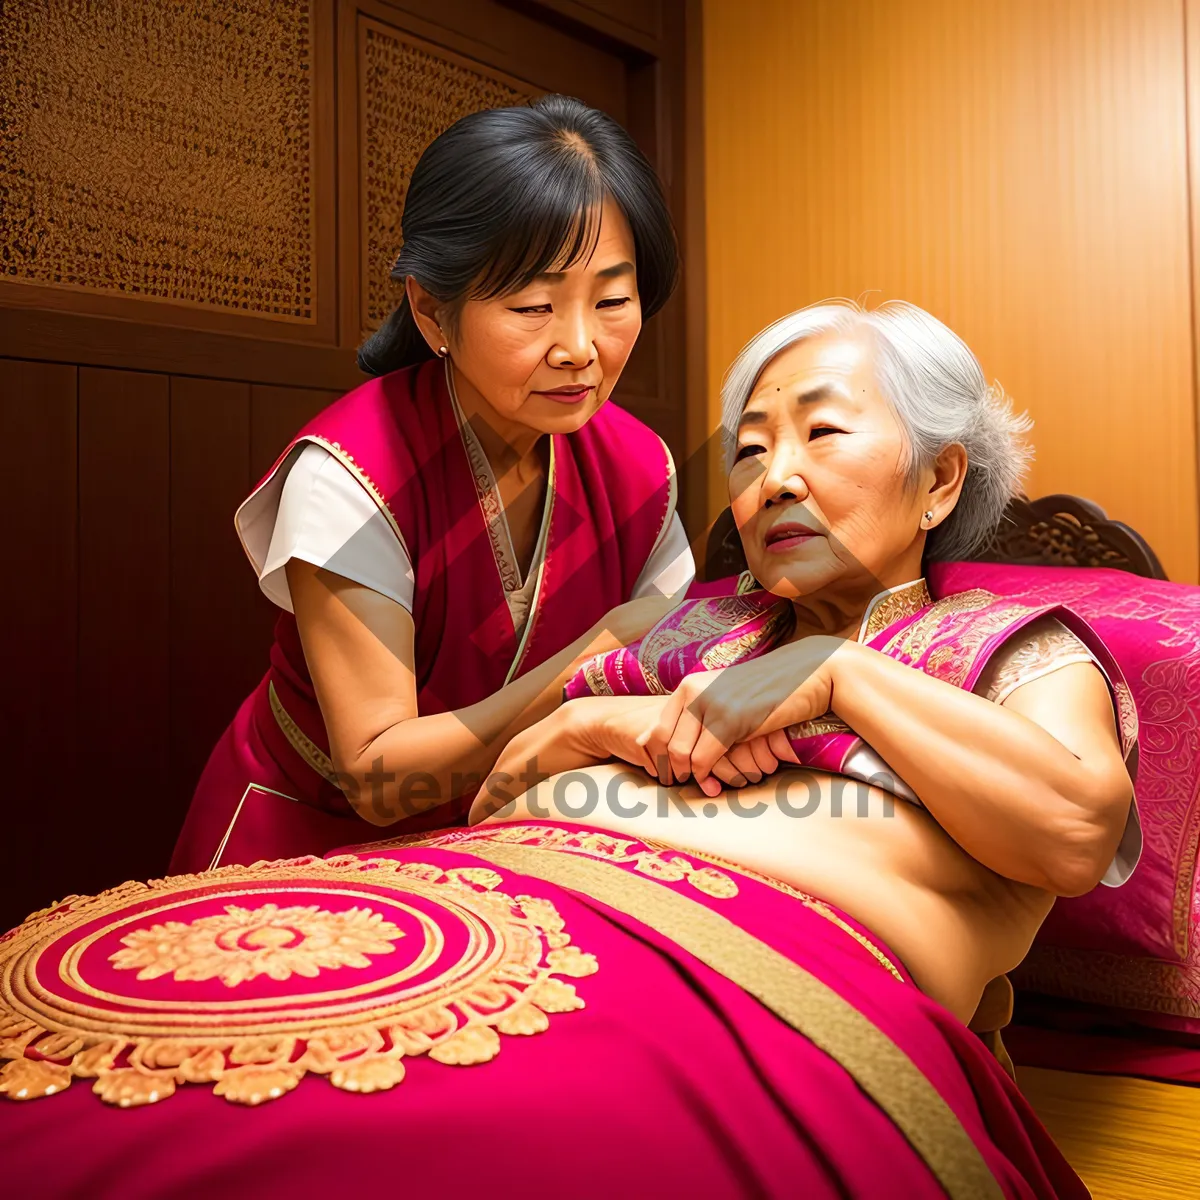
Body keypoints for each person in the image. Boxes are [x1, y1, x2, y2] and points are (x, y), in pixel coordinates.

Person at [470, 299, 1141, 1026]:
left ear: (939, 480)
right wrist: (591, 723)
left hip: (746, 993)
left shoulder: (1012, 651)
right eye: (750, 450)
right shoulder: (680, 634)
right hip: (492, 908)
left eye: (822, 433)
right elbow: (489, 799)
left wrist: (837, 672)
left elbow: (1078, 835)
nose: (775, 480)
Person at [170, 95, 694, 874]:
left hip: (510, 832)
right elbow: (380, 776)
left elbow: (674, 654)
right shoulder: (351, 474)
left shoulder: (637, 464)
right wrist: (599, 653)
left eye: (613, 301)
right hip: (309, 841)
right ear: (431, 309)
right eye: (533, 306)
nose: (581, 347)